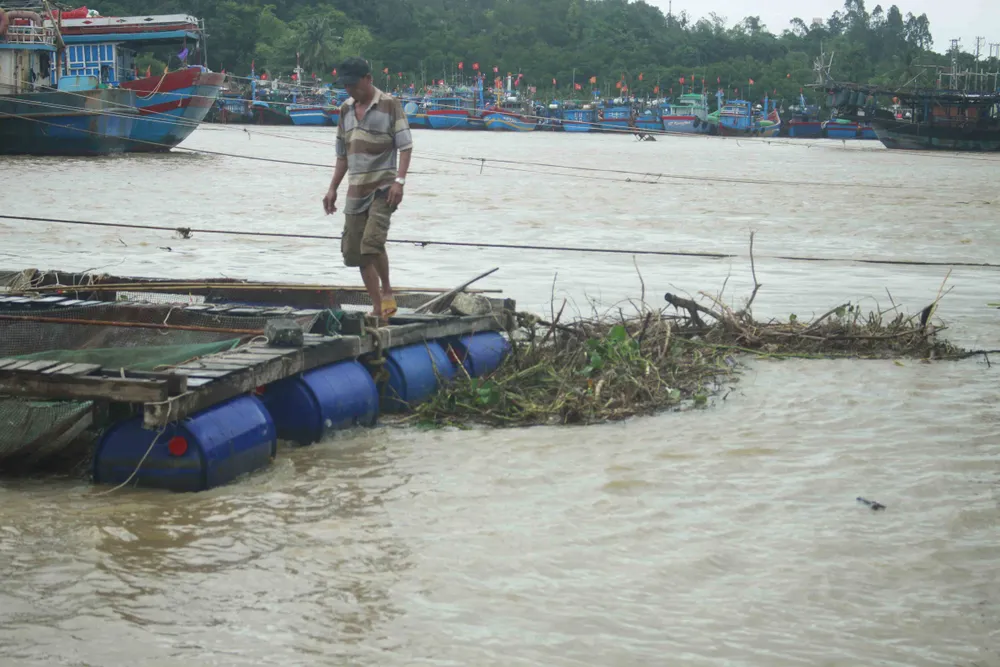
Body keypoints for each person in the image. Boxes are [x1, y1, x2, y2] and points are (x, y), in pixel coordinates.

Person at [323, 57, 412, 321]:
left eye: (353, 84)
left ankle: (387, 290)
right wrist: (332, 189)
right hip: (356, 189)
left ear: (368, 79)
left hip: (383, 187)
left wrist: (399, 181)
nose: (350, 89)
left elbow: (405, 146)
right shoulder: (345, 110)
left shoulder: (390, 105)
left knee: (371, 244)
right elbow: (342, 156)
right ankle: (377, 306)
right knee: (354, 253)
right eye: (346, 85)